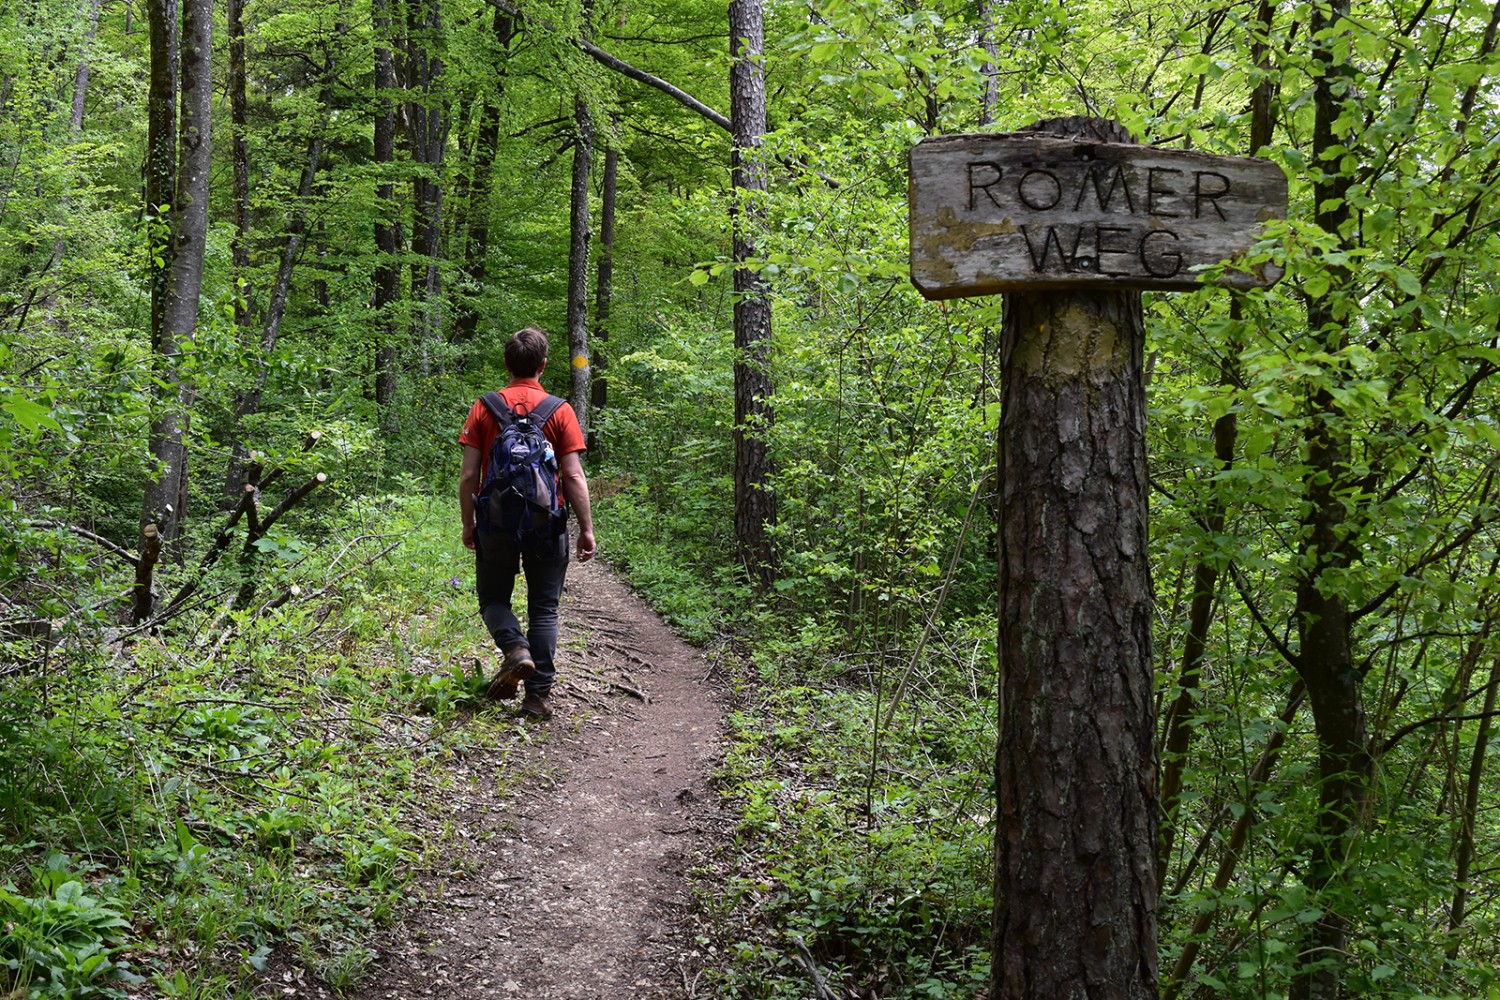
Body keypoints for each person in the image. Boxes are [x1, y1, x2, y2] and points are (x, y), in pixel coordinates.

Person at [458, 327, 597, 720]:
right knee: (544, 609)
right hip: (546, 524)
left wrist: (468, 523)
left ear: (506, 364)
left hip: (495, 523)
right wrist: (585, 528)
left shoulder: (484, 407)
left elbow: (469, 476)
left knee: (493, 599)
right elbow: (572, 476)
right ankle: (537, 698)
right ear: (543, 365)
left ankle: (516, 649)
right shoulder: (560, 409)